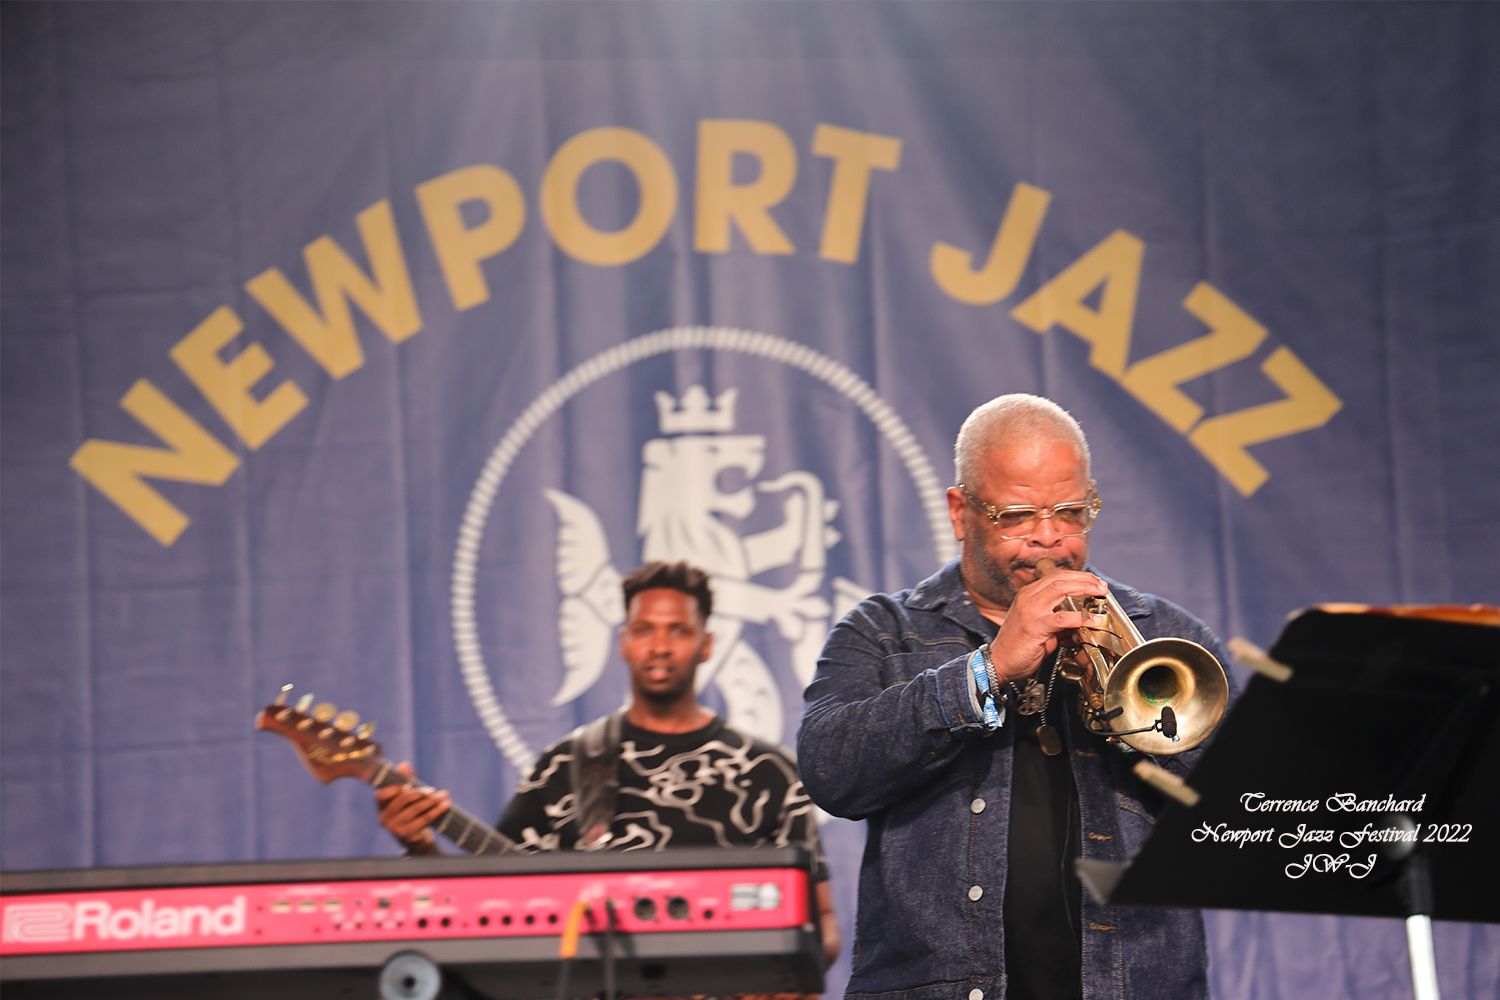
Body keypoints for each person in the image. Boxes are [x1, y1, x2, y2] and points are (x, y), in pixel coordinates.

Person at [797, 394, 1232, 1000]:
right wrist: (989, 668)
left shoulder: (1166, 634)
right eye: (1019, 515)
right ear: (960, 512)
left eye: (1071, 512)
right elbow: (830, 771)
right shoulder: (883, 631)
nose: (1050, 539)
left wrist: (1141, 719)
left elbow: (1246, 809)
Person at [377, 560, 840, 969]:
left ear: (706, 644)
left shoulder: (768, 772)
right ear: (623, 642)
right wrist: (420, 847)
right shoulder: (564, 767)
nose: (659, 646)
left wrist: (776, 979)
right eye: (644, 630)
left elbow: (822, 923)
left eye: (678, 630)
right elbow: (490, 904)